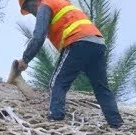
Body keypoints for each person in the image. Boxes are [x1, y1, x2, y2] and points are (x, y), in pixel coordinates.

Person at [15, 0, 123, 128]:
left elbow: (38, 36)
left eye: (29, 8)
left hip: (77, 41)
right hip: (97, 42)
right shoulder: (61, 3)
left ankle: (55, 118)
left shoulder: (45, 6)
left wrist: (25, 59)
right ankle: (116, 123)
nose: (32, 13)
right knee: (101, 87)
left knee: (57, 83)